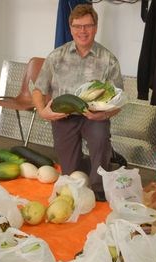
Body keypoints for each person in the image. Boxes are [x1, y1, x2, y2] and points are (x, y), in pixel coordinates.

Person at [32, 4, 124, 202]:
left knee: (99, 138)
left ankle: (100, 187)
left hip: (94, 117)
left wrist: (104, 115)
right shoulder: (56, 56)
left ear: (95, 27)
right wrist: (42, 111)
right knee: (70, 174)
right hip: (63, 117)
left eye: (88, 26)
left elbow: (118, 100)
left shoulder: (108, 59)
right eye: (78, 26)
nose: (83, 31)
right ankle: (98, 167)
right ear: (71, 28)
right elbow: (38, 89)